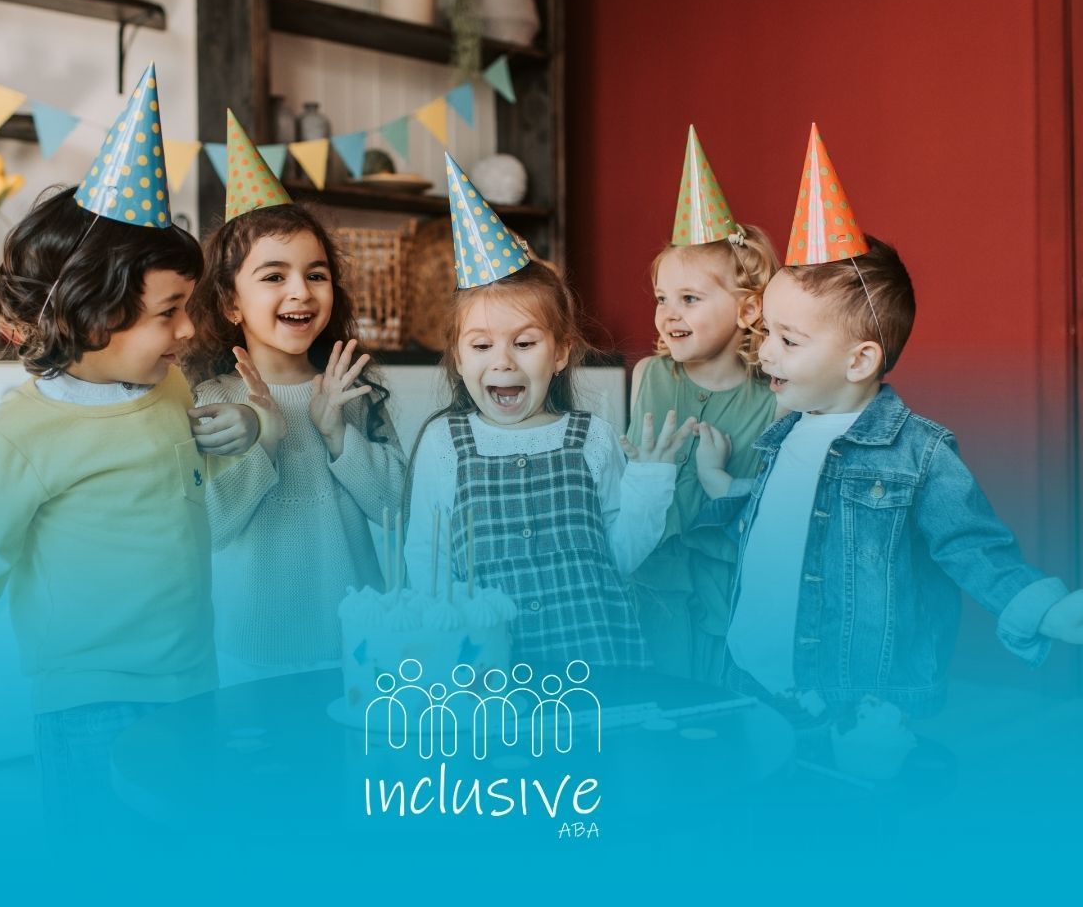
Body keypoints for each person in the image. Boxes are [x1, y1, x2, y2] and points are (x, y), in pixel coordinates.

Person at [0, 66, 261, 827]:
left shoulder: (171, 386)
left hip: (194, 679)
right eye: (169, 312)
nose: (189, 331)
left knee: (191, 859)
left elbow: (193, 473)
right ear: (92, 318)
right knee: (101, 865)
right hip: (90, 701)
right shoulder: (22, 435)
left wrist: (245, 429)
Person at [694, 125, 1083, 716]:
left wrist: (1042, 608)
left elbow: (972, 544)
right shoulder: (785, 433)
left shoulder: (918, 456)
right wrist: (725, 488)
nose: (765, 351)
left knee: (850, 805)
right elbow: (781, 522)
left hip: (857, 701)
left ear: (859, 360)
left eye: (788, 340)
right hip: (752, 679)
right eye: (765, 332)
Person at [403, 153, 688, 668]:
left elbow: (617, 560)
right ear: (459, 357)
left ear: (559, 353)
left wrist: (650, 480)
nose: (503, 362)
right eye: (482, 345)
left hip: (595, 658)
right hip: (487, 664)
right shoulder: (444, 444)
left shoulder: (594, 438)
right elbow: (427, 559)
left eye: (525, 342)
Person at [183, 111, 405, 684]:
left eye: (317, 274)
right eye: (273, 276)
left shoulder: (352, 387)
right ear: (231, 303)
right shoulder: (210, 396)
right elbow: (211, 524)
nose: (300, 292)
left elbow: (398, 507)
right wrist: (266, 438)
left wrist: (338, 435)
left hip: (356, 643)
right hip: (251, 651)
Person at [627, 126, 780, 682]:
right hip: (653, 573)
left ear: (746, 310)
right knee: (658, 695)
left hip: (727, 579)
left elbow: (772, 507)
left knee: (723, 697)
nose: (669, 313)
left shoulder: (774, 399)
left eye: (690, 299)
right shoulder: (647, 375)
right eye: (662, 298)